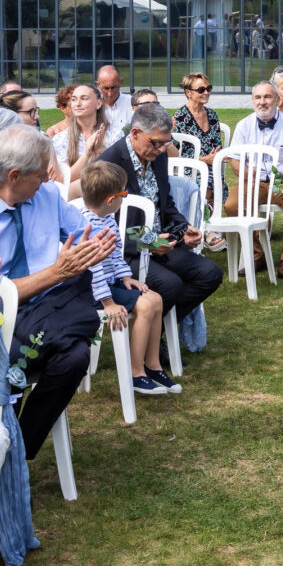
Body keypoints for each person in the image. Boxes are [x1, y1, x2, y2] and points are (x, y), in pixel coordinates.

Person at [0, 126, 115, 459]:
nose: (49, 180)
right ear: (14, 176)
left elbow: (82, 233)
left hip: (48, 308)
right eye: (41, 175)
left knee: (74, 357)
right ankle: (4, 441)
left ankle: (19, 451)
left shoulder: (45, 197)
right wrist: (56, 272)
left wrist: (93, 247)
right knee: (65, 349)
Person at [98, 103, 222, 326]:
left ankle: (163, 329)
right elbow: (106, 225)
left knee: (210, 272)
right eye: (156, 143)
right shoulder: (109, 164)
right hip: (126, 253)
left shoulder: (158, 155)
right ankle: (151, 340)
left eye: (167, 143)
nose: (163, 149)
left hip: (159, 243)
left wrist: (184, 229)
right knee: (170, 284)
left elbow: (166, 204)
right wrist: (147, 242)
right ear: (135, 133)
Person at [79, 160, 176, 395]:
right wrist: (108, 303)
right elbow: (93, 271)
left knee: (156, 299)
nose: (125, 197)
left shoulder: (107, 218)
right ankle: (135, 372)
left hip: (111, 285)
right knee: (145, 305)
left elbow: (116, 254)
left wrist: (125, 277)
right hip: (93, 292)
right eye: (124, 193)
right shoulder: (88, 226)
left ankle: (152, 365)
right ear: (111, 200)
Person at [228, 81, 283, 279]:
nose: (262, 102)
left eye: (267, 97)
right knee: (232, 205)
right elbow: (234, 162)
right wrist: (248, 174)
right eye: (258, 97)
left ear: (277, 99)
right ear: (253, 101)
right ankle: (257, 255)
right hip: (252, 180)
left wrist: (280, 178)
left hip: (282, 179)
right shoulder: (244, 125)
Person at [172, 73, 225, 250]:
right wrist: (203, 160)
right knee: (206, 180)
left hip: (210, 165)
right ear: (188, 92)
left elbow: (218, 144)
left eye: (208, 89)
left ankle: (205, 227)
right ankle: (207, 230)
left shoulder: (212, 115)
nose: (206, 93)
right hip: (187, 168)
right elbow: (174, 153)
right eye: (201, 89)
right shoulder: (179, 117)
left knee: (212, 176)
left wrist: (215, 156)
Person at [51, 83, 123, 181]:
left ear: (98, 103)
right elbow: (64, 180)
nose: (77, 103)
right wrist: (86, 154)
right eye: (74, 99)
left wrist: (101, 153)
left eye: (84, 98)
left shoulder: (115, 135)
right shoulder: (60, 139)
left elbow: (118, 176)